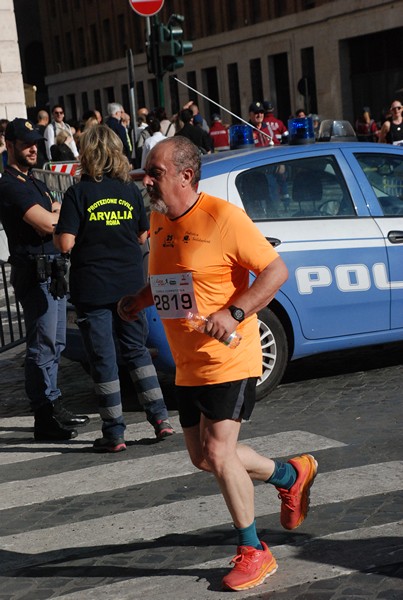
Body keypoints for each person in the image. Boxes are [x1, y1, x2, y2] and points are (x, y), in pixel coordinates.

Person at [117, 136, 318, 591]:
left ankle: (254, 550)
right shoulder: (160, 218)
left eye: (156, 173)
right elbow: (172, 279)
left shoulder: (224, 218)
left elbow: (275, 271)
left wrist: (235, 312)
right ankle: (290, 474)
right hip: (188, 362)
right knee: (202, 458)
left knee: (220, 452)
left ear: (186, 176)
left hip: (229, 358)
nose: (147, 181)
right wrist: (139, 300)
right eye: (147, 172)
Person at [53, 124, 175, 452]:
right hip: (129, 284)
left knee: (104, 358)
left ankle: (114, 432)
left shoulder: (78, 194)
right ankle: (161, 419)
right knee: (136, 351)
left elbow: (65, 243)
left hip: (93, 287)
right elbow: (141, 234)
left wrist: (60, 232)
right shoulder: (129, 191)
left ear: (88, 154)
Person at [0, 118, 89, 440]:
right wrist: (60, 216)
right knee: (42, 345)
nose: (33, 148)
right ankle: (44, 416)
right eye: (25, 143)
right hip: (34, 271)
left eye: (36, 142)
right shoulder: (10, 184)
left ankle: (54, 403)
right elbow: (48, 224)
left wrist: (58, 214)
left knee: (57, 342)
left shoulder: (32, 180)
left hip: (51, 270)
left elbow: (56, 209)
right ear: (9, 145)